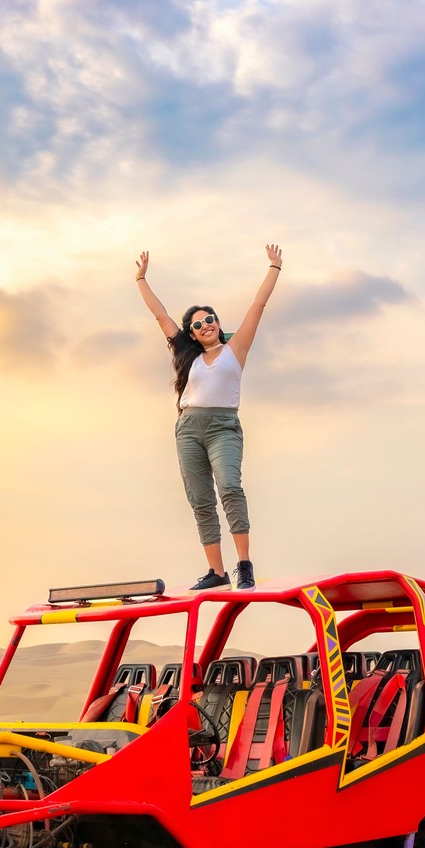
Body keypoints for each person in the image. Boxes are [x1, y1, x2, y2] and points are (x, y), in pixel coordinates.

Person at [134, 244, 283, 590]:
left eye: (210, 319)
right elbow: (161, 316)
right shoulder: (190, 357)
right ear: (191, 332)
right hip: (188, 429)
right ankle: (216, 572)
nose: (206, 325)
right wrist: (141, 279)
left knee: (230, 487)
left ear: (218, 323)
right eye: (198, 323)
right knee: (200, 499)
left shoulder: (236, 349)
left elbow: (257, 306)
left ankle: (243, 565)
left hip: (223, 427)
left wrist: (274, 268)